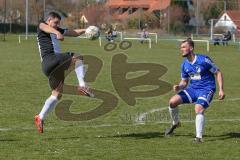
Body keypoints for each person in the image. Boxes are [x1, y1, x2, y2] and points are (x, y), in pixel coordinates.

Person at [35, 12, 94, 133]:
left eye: (58, 23)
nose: (57, 25)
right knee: (77, 57)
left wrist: (86, 30)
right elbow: (44, 27)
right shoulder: (42, 25)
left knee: (57, 94)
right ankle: (82, 85)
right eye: (55, 22)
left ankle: (40, 117)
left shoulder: (56, 29)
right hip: (50, 59)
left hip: (50, 67)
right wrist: (56, 32)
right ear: (49, 20)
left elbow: (73, 33)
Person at [165, 38, 225, 142]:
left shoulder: (204, 60)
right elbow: (184, 82)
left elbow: (218, 72)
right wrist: (179, 87)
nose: (182, 49)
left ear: (191, 48)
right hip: (193, 89)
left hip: (207, 89)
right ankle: (176, 123)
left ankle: (199, 138)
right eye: (181, 47)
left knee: (198, 108)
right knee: (172, 102)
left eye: (184, 47)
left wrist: (221, 89)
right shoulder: (184, 65)